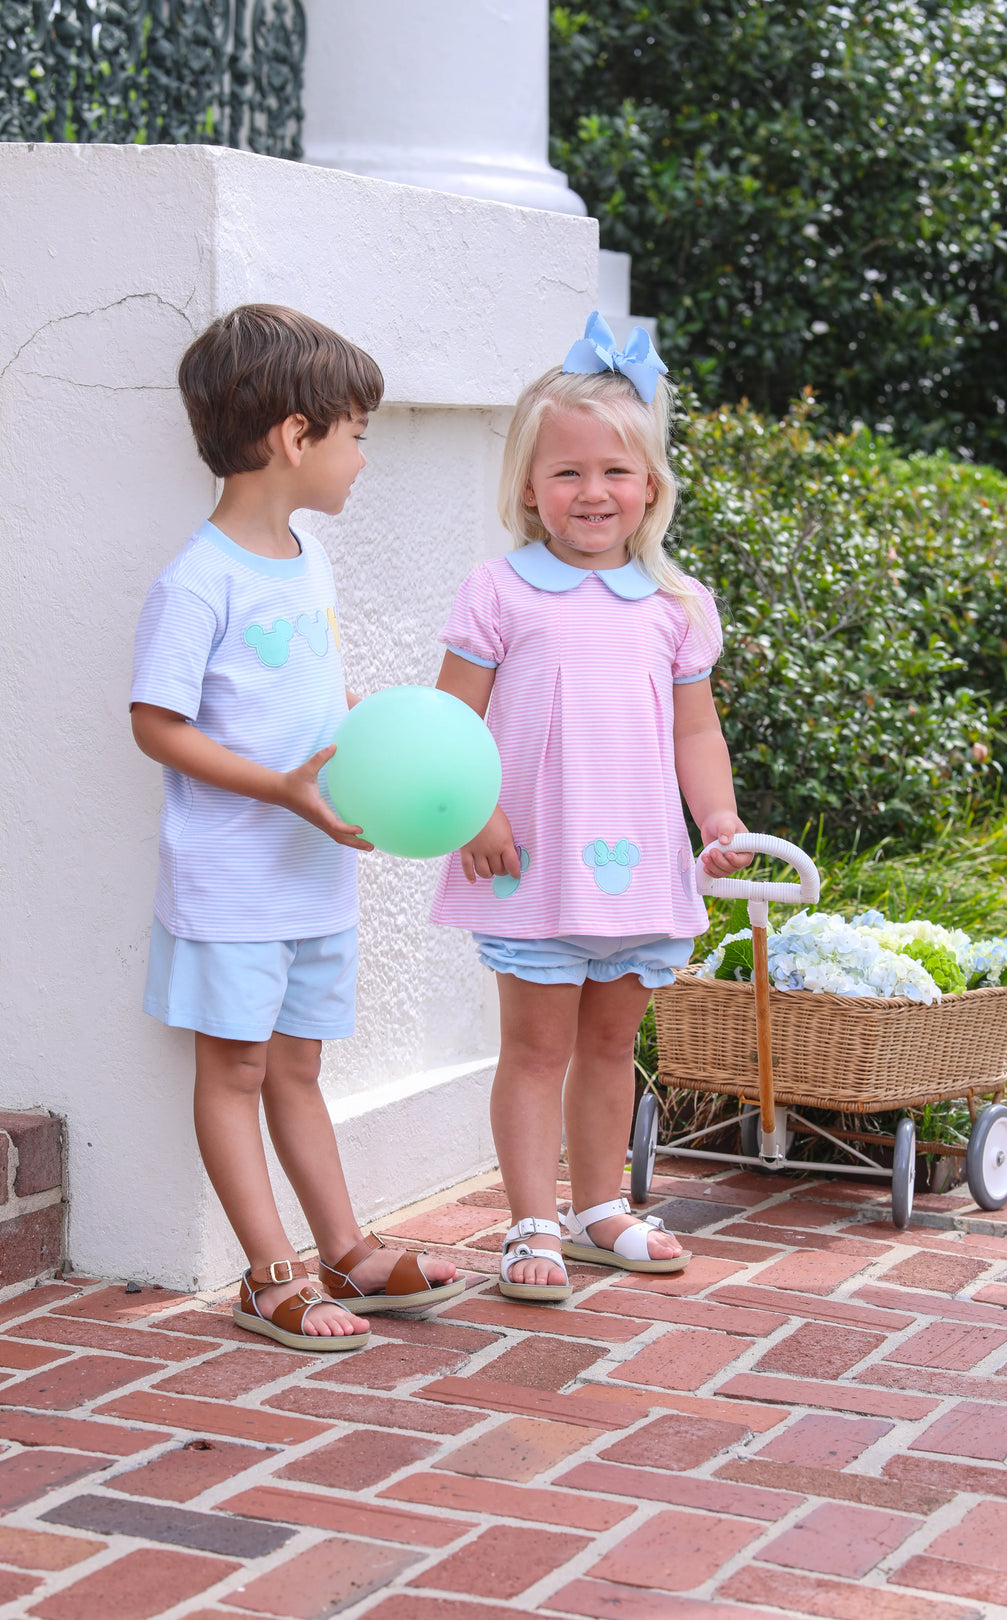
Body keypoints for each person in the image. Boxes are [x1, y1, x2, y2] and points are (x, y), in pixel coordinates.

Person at [130, 304, 463, 1350]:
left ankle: (347, 1251)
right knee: (232, 1068)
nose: (363, 456)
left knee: (301, 1068)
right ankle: (267, 1275)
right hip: (232, 876)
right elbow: (154, 724)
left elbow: (315, 699)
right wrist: (277, 789)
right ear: (294, 435)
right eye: (356, 432)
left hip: (315, 869)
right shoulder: (198, 579)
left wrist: (370, 742)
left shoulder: (306, 560)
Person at [431, 312, 752, 1302]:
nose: (592, 492)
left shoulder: (675, 603)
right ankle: (530, 1219)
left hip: (641, 863)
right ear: (528, 489)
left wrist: (721, 823)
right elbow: (451, 723)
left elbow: (694, 732)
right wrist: (470, 811)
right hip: (532, 863)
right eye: (566, 473)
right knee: (537, 1050)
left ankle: (601, 1205)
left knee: (613, 1047)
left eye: (615, 472)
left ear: (650, 485)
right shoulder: (499, 593)